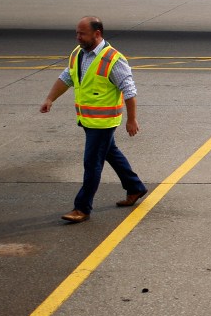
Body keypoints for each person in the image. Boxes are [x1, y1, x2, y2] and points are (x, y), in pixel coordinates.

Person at [39, 16, 147, 223]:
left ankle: (82, 208)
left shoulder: (113, 59)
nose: (78, 37)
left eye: (82, 34)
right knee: (110, 153)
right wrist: (50, 98)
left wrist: (132, 120)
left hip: (104, 122)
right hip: (87, 119)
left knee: (92, 163)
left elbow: (129, 91)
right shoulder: (78, 54)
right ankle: (135, 187)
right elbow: (67, 77)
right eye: (77, 33)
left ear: (97, 34)